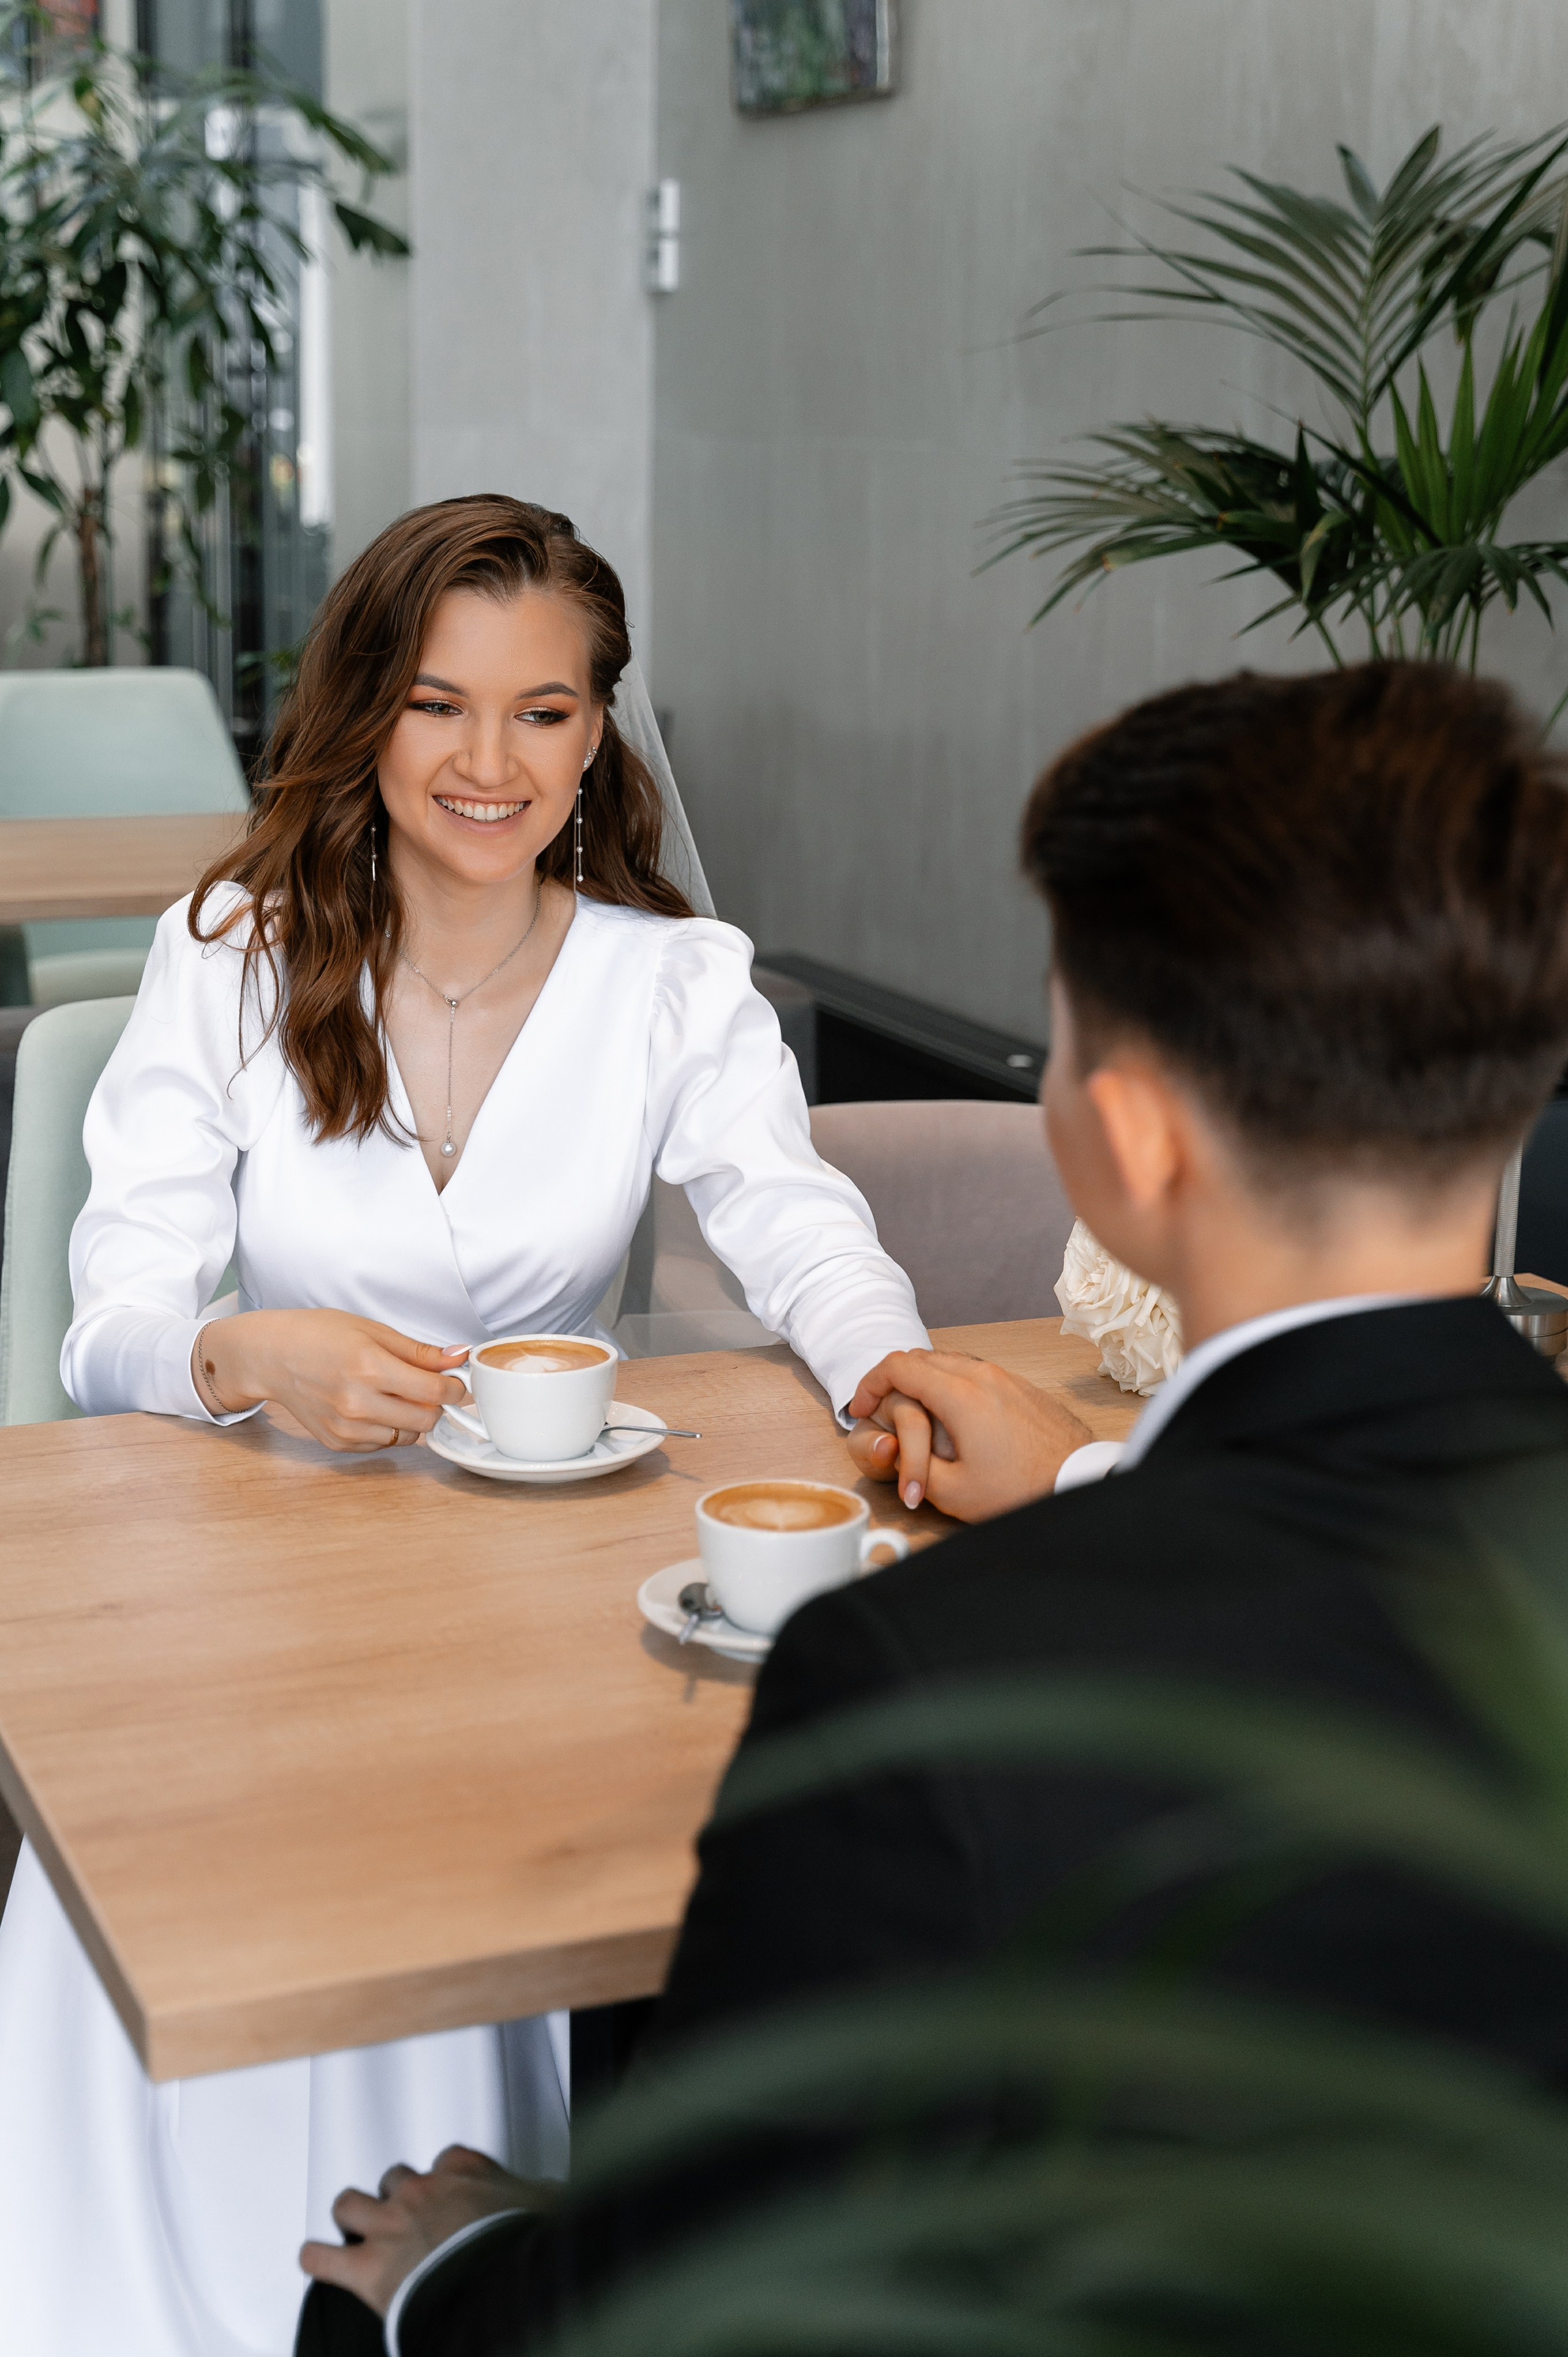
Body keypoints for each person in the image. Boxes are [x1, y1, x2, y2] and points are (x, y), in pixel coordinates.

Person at [297, 660, 1568, 2355]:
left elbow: (699, 2313)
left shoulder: (930, 1680)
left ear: (1122, 1143)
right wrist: (1102, 1476)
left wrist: (446, 2277)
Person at [0, 495, 928, 2356]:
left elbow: (799, 1223)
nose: (489, 764)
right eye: (441, 707)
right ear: (368, 716)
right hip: (240, 1601)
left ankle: (437, 2279)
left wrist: (895, 1370)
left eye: (543, 712)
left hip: (531, 1622)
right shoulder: (237, 947)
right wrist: (243, 1357)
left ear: (598, 735)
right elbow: (114, 1322)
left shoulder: (674, 981)